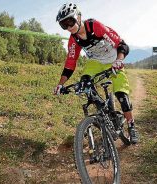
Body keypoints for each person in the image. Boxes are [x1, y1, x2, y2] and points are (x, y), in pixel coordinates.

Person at [53, 3, 138, 143]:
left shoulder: (94, 26)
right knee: (84, 81)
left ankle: (131, 125)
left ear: (78, 17)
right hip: (96, 63)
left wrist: (119, 60)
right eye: (64, 25)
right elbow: (70, 63)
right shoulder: (73, 40)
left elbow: (122, 45)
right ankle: (102, 110)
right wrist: (60, 84)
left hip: (113, 60)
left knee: (121, 94)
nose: (68, 27)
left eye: (70, 21)